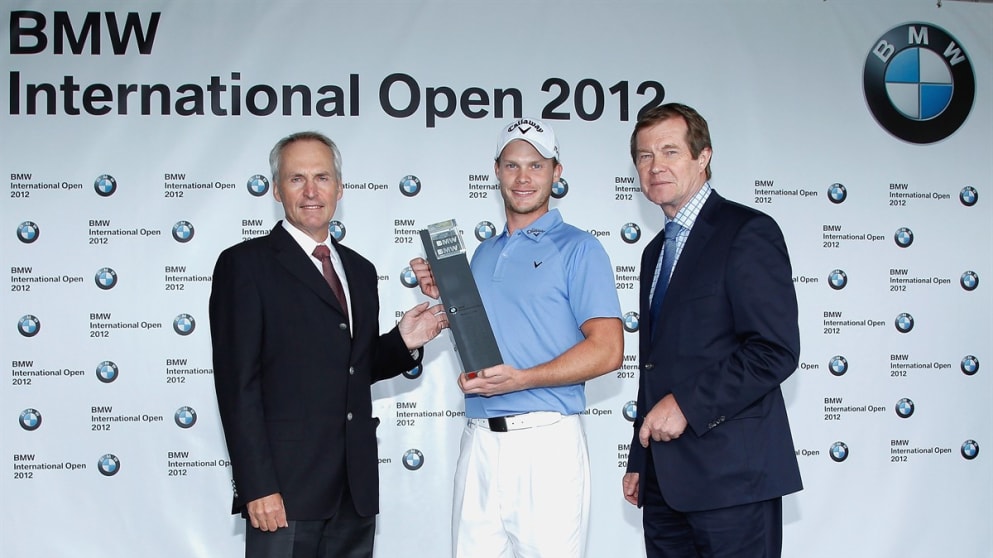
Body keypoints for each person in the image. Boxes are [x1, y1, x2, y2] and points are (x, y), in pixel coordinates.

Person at [209, 131, 447, 558]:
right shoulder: (244, 265)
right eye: (296, 178)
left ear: (339, 187)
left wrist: (401, 342)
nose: (311, 190)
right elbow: (237, 386)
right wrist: (257, 486)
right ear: (277, 190)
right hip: (283, 492)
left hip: (353, 492)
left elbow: (352, 367)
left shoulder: (359, 269)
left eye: (321, 177)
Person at [410, 117, 623, 558]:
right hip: (479, 439)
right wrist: (446, 292)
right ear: (496, 171)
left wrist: (523, 379)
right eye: (511, 166)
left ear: (556, 172)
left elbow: (608, 350)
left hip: (545, 443)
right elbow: (485, 331)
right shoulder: (483, 254)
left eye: (536, 165)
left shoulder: (580, 249)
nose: (523, 178)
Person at [621, 103, 803, 557]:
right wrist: (639, 460)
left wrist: (686, 404)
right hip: (664, 484)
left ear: (703, 157)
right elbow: (655, 364)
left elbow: (774, 350)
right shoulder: (653, 253)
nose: (656, 166)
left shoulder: (748, 231)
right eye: (644, 156)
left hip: (733, 481)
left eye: (669, 151)